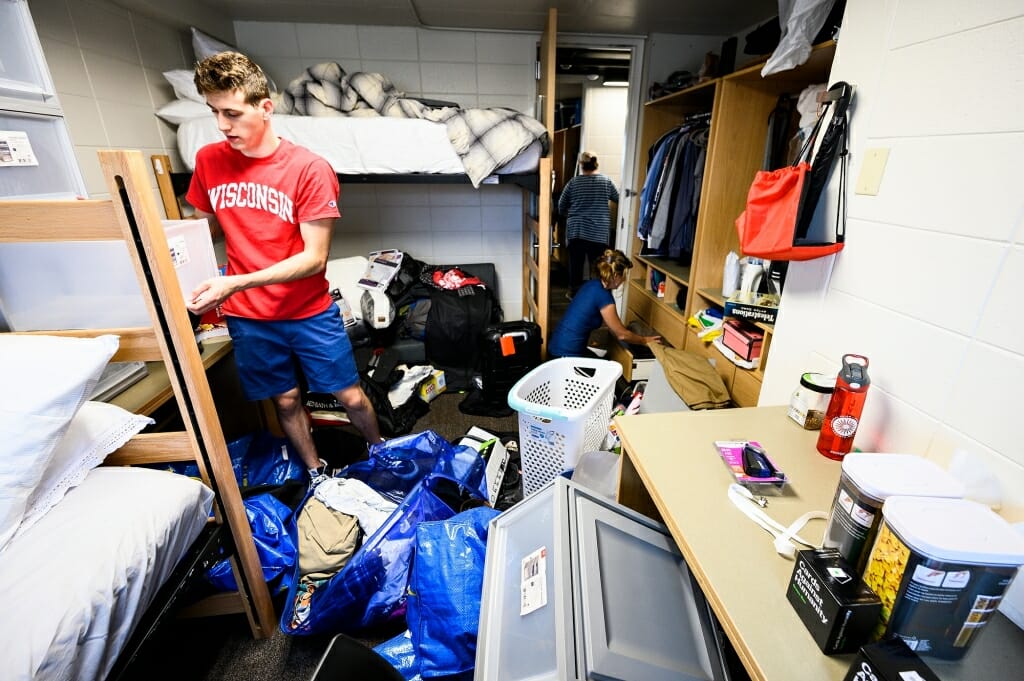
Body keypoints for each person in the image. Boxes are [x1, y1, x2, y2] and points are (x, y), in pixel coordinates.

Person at [184, 51, 381, 489]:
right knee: (287, 401)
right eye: (214, 112)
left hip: (307, 310)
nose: (222, 125)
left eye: (232, 113)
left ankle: (382, 455)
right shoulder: (209, 161)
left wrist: (234, 281)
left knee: (349, 396)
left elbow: (314, 258)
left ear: (265, 107)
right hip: (250, 317)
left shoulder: (308, 169)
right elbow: (199, 227)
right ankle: (316, 473)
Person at [547, 249, 660, 358]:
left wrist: (624, 331)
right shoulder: (604, 297)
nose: (624, 280)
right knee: (609, 372)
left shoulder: (592, 284)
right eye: (624, 276)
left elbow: (612, 326)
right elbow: (622, 335)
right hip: (565, 355)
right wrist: (644, 340)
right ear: (616, 276)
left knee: (602, 361)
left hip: (557, 347)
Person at [557, 152, 619, 298]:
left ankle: (574, 293)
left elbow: (561, 205)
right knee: (598, 266)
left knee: (576, 265)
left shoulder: (573, 182)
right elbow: (618, 198)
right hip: (598, 231)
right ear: (596, 163)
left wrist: (568, 214)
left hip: (577, 230)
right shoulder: (606, 181)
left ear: (581, 164)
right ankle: (597, 295)